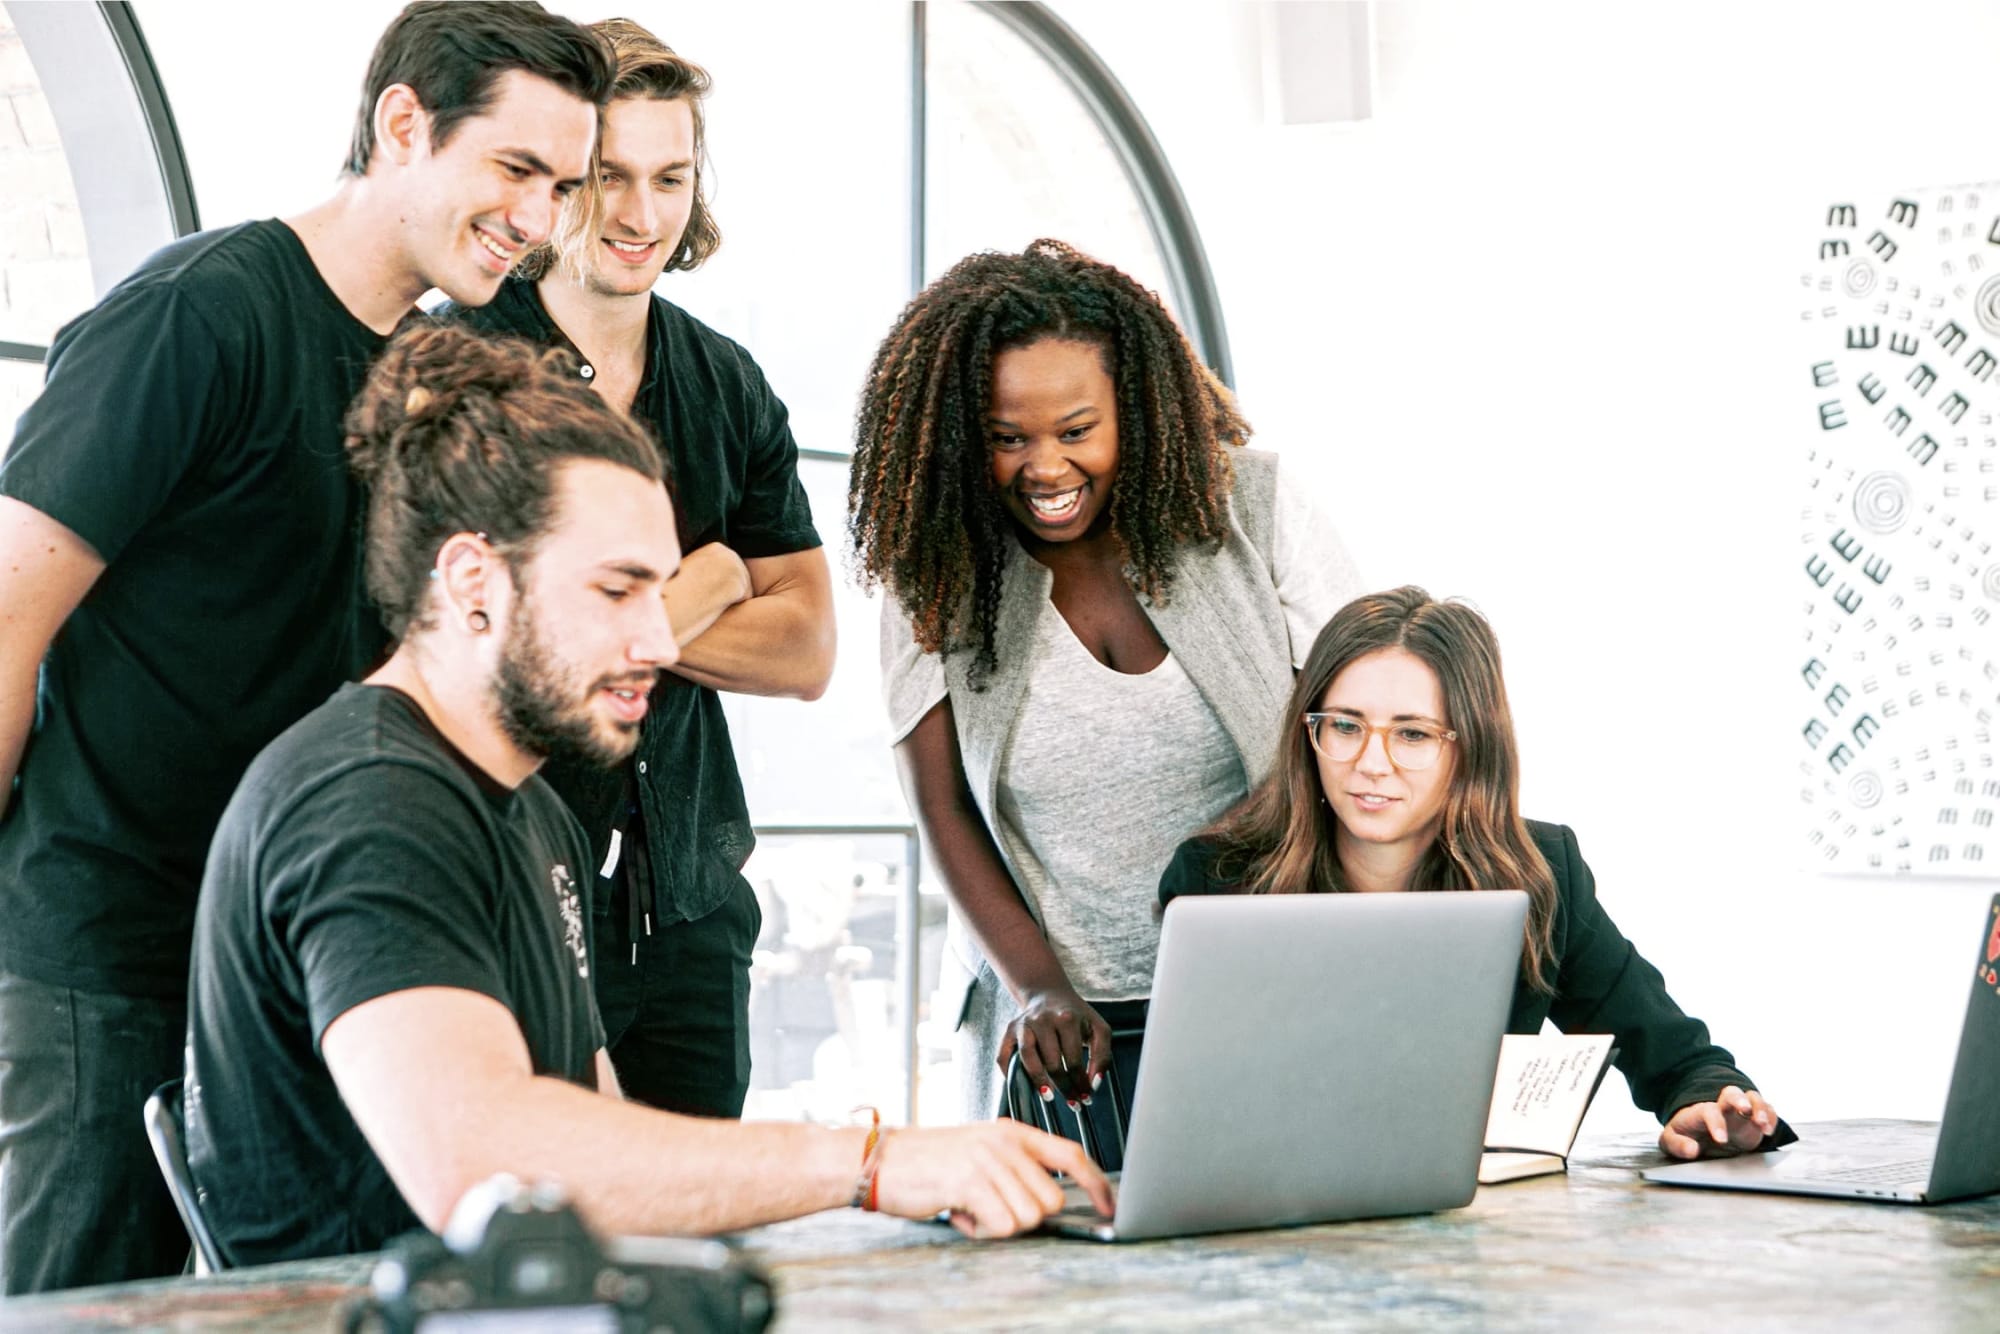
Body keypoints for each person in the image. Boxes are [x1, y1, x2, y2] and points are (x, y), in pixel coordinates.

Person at [183, 324, 1108, 1265]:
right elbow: (487, 1165)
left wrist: (886, 1195)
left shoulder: (532, 810)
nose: (662, 644)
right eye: (616, 592)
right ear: (472, 581)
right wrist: (870, 1165)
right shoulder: (369, 803)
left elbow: (604, 1144)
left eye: (659, 592)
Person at [0, 2, 612, 1292]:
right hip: (109, 940)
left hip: (299, 952)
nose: (543, 218)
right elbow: (6, 613)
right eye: (515, 169)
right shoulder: (195, 318)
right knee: (79, 1303)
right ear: (402, 123)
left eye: (563, 184)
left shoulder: (446, 365)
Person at [848, 240, 1362, 1123]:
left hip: (1267, 988)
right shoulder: (933, 565)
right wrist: (1039, 990)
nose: (1044, 469)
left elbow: (1354, 736)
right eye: (1008, 439)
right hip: (1060, 1029)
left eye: (1077, 431)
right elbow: (942, 807)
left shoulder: (1256, 508)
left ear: (1139, 409)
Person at [446, 18, 834, 1120]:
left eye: (670, 177)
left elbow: (807, 647)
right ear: (557, 180)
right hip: (507, 891)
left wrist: (612, 615)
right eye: (607, 176)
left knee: (693, 1255)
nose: (639, 213)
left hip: (691, 905)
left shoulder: (727, 383)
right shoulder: (460, 365)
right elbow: (482, 645)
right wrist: (710, 577)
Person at [1159, 587, 1788, 1159]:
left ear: (1470, 747)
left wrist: (1708, 1105)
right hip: (1263, 1218)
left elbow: (1679, 1058)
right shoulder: (1218, 880)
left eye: (1412, 734)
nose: (1371, 763)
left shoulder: (1540, 874)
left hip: (1465, 1230)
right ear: (1309, 734)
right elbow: (1189, 1107)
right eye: (1346, 726)